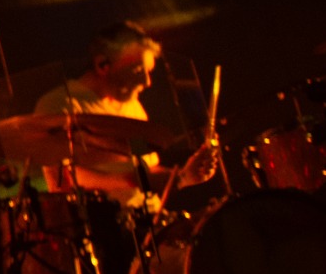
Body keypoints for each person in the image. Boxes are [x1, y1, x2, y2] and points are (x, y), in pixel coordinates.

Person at [33, 21, 216, 206]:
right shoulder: (59, 106)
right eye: (139, 70)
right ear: (102, 65)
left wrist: (184, 176)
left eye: (149, 72)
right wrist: (134, 181)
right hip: (104, 220)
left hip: (149, 215)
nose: (147, 82)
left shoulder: (133, 108)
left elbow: (144, 168)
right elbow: (61, 181)